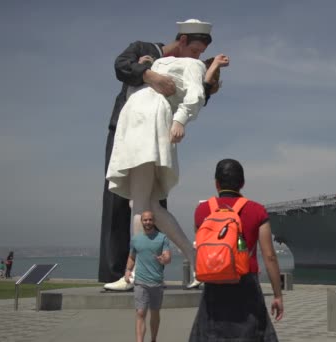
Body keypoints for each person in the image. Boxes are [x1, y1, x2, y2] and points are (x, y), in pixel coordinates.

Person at [99, 18, 220, 289]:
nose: (197, 56)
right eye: (196, 49)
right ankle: (194, 258)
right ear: (184, 41)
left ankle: (133, 275)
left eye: (202, 54)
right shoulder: (149, 52)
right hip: (130, 126)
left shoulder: (191, 64)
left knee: (140, 204)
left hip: (148, 127)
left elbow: (194, 96)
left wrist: (180, 120)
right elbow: (122, 66)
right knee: (146, 204)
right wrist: (147, 70)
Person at [189, 159, 284, 341]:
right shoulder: (257, 210)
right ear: (242, 183)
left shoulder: (202, 210)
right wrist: (278, 295)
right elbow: (270, 256)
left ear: (216, 183)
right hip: (246, 284)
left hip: (213, 286)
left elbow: (200, 249)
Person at [124, 210, 171, 342]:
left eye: (150, 220)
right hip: (140, 282)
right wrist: (128, 270)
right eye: (145, 220)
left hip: (156, 282)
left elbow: (167, 256)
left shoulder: (162, 238)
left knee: (155, 313)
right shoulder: (136, 239)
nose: (148, 222)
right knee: (140, 313)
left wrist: (164, 259)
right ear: (142, 221)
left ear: (154, 221)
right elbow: (132, 257)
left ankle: (154, 339)